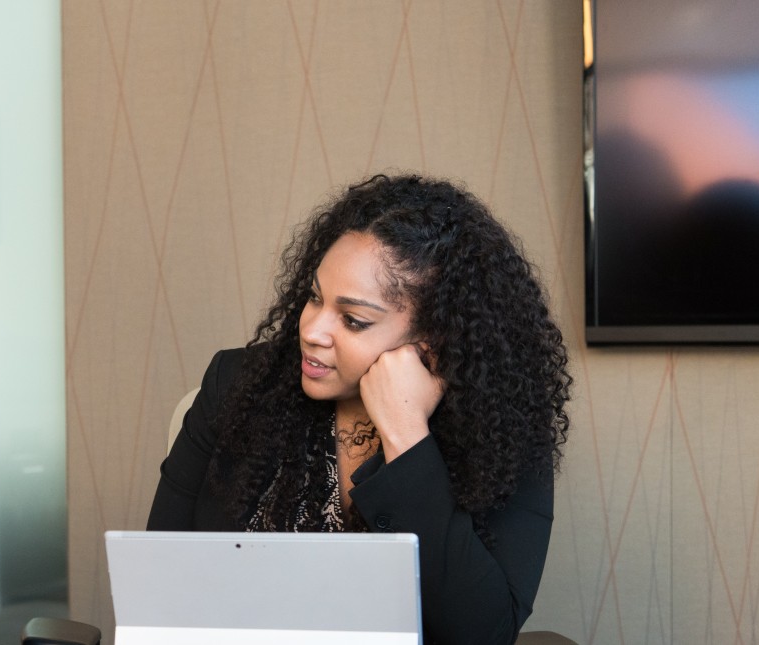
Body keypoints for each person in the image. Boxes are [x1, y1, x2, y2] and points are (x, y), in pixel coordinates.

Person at [147, 174, 571, 644]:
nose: (311, 329)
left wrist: (407, 437)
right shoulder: (237, 385)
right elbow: (160, 582)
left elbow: (483, 633)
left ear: (436, 337)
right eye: (314, 297)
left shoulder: (502, 430)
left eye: (353, 320)